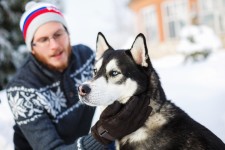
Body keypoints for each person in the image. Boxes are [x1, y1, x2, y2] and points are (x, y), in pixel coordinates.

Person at [6, 1, 151, 150]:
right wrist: (103, 135)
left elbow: (117, 89)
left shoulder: (86, 58)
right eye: (43, 40)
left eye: (58, 34)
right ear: (32, 48)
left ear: (67, 33)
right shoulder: (21, 89)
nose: (54, 45)